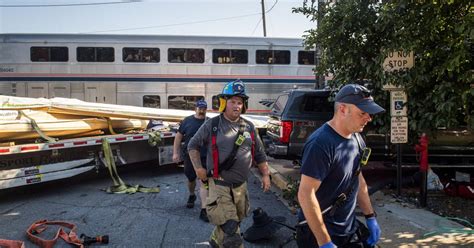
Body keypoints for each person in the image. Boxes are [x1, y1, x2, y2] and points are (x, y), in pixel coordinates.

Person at [297, 84, 384, 248]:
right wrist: (325, 242)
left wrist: (370, 216)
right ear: (343, 109)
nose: (369, 118)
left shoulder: (357, 139)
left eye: (369, 113)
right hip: (318, 235)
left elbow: (357, 177)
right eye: (362, 113)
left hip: (347, 230)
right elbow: (305, 194)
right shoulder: (321, 144)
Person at [187, 80, 271, 248]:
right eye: (232, 101)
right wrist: (198, 168)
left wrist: (266, 175)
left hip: (241, 187)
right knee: (232, 231)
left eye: (240, 102)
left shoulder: (249, 127)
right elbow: (192, 145)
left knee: (236, 221)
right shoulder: (212, 125)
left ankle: (215, 240)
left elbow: (260, 154)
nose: (237, 106)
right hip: (219, 183)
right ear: (224, 103)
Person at [173, 99, 209, 222]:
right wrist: (175, 153)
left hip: (204, 156)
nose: (202, 110)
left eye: (204, 108)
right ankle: (192, 195)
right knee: (191, 179)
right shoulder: (187, 121)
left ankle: (204, 209)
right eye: (200, 108)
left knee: (204, 180)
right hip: (189, 155)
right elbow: (178, 137)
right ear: (195, 109)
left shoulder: (209, 122)